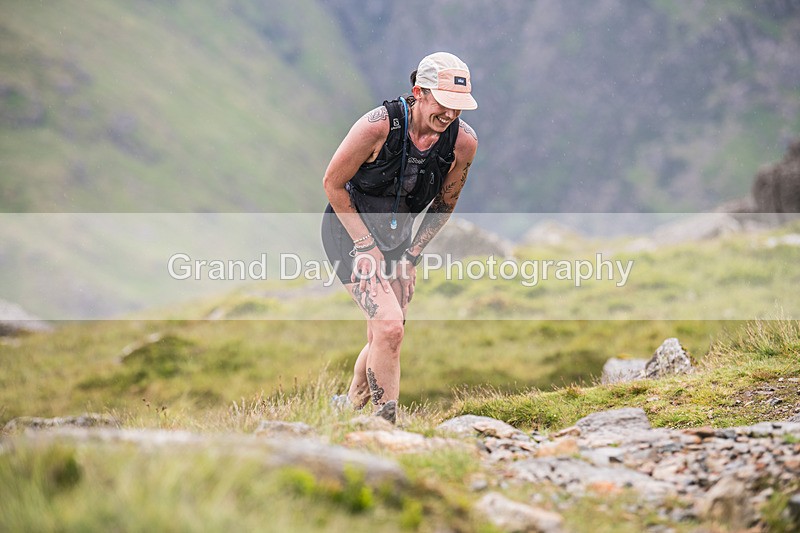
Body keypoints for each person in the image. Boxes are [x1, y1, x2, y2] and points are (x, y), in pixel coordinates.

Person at [321, 52, 479, 424]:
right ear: (419, 92)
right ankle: (385, 424)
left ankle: (347, 409)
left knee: (387, 334)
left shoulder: (463, 143)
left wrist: (411, 257)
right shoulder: (377, 127)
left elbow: (444, 203)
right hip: (348, 233)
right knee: (389, 327)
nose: (450, 114)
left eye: (459, 106)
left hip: (397, 242)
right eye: (443, 102)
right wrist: (365, 245)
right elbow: (332, 184)